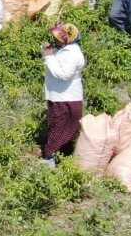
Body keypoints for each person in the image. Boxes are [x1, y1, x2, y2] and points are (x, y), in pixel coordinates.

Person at [40, 23, 85, 166]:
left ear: (67, 39)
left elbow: (64, 75)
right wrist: (48, 52)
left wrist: (48, 55)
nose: (54, 40)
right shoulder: (63, 50)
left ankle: (50, 158)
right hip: (60, 96)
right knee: (59, 126)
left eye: (58, 38)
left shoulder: (73, 54)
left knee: (59, 127)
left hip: (66, 98)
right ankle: (60, 157)